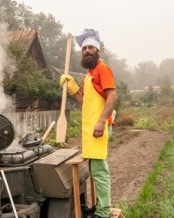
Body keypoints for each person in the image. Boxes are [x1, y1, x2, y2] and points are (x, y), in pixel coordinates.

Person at [60, 29, 118, 218]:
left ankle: (103, 212)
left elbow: (112, 96)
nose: (87, 50)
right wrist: (72, 87)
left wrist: (102, 121)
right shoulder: (88, 75)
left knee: (100, 172)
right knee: (95, 170)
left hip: (99, 128)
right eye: (84, 48)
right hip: (91, 131)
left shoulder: (102, 69)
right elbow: (84, 101)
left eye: (91, 47)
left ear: (98, 51)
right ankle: (101, 206)